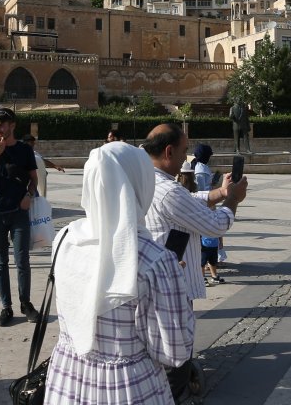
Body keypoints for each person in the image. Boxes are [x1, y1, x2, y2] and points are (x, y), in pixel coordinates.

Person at [45, 142, 194, 405]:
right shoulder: (155, 260)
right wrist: (174, 285)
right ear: (139, 183)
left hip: (66, 379)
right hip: (129, 388)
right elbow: (174, 351)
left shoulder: (65, 238)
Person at [142, 122, 247, 302]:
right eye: (184, 151)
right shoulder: (168, 191)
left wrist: (222, 192)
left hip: (158, 281)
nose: (186, 158)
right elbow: (216, 225)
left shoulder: (146, 180)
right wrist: (233, 198)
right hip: (173, 289)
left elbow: (189, 200)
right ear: (169, 152)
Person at [0, 107, 39, 326]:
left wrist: (29, 195)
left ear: (12, 126)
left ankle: (26, 304)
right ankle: (6, 307)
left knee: (22, 260)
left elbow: (34, 179)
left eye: (1, 125)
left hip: (19, 211)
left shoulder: (24, 150)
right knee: (0, 262)